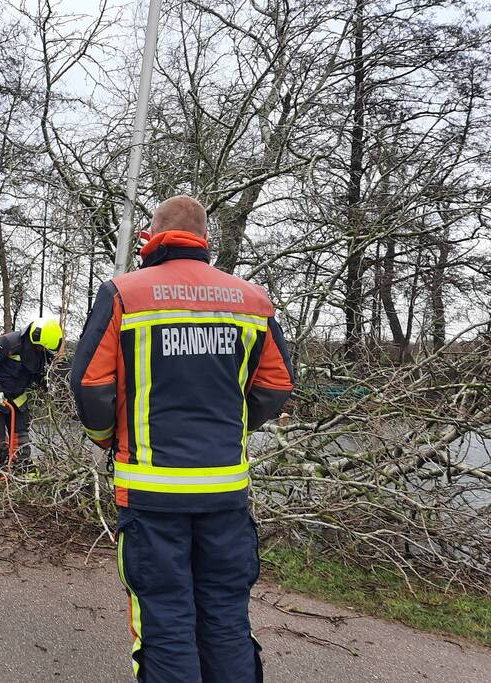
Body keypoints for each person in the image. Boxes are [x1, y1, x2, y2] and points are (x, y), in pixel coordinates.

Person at [70, 195, 294, 682]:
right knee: (226, 618)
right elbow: (277, 386)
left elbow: (90, 385)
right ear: (205, 241)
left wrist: (108, 438)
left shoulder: (124, 293)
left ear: (152, 238)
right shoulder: (253, 301)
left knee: (165, 620)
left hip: (151, 492)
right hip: (225, 493)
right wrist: (234, 427)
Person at [0, 317, 63, 474]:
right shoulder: (9, 342)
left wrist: (47, 385)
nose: (42, 352)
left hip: (17, 398)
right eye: (41, 349)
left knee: (21, 437)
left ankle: (23, 471)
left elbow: (37, 372)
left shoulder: (42, 352)